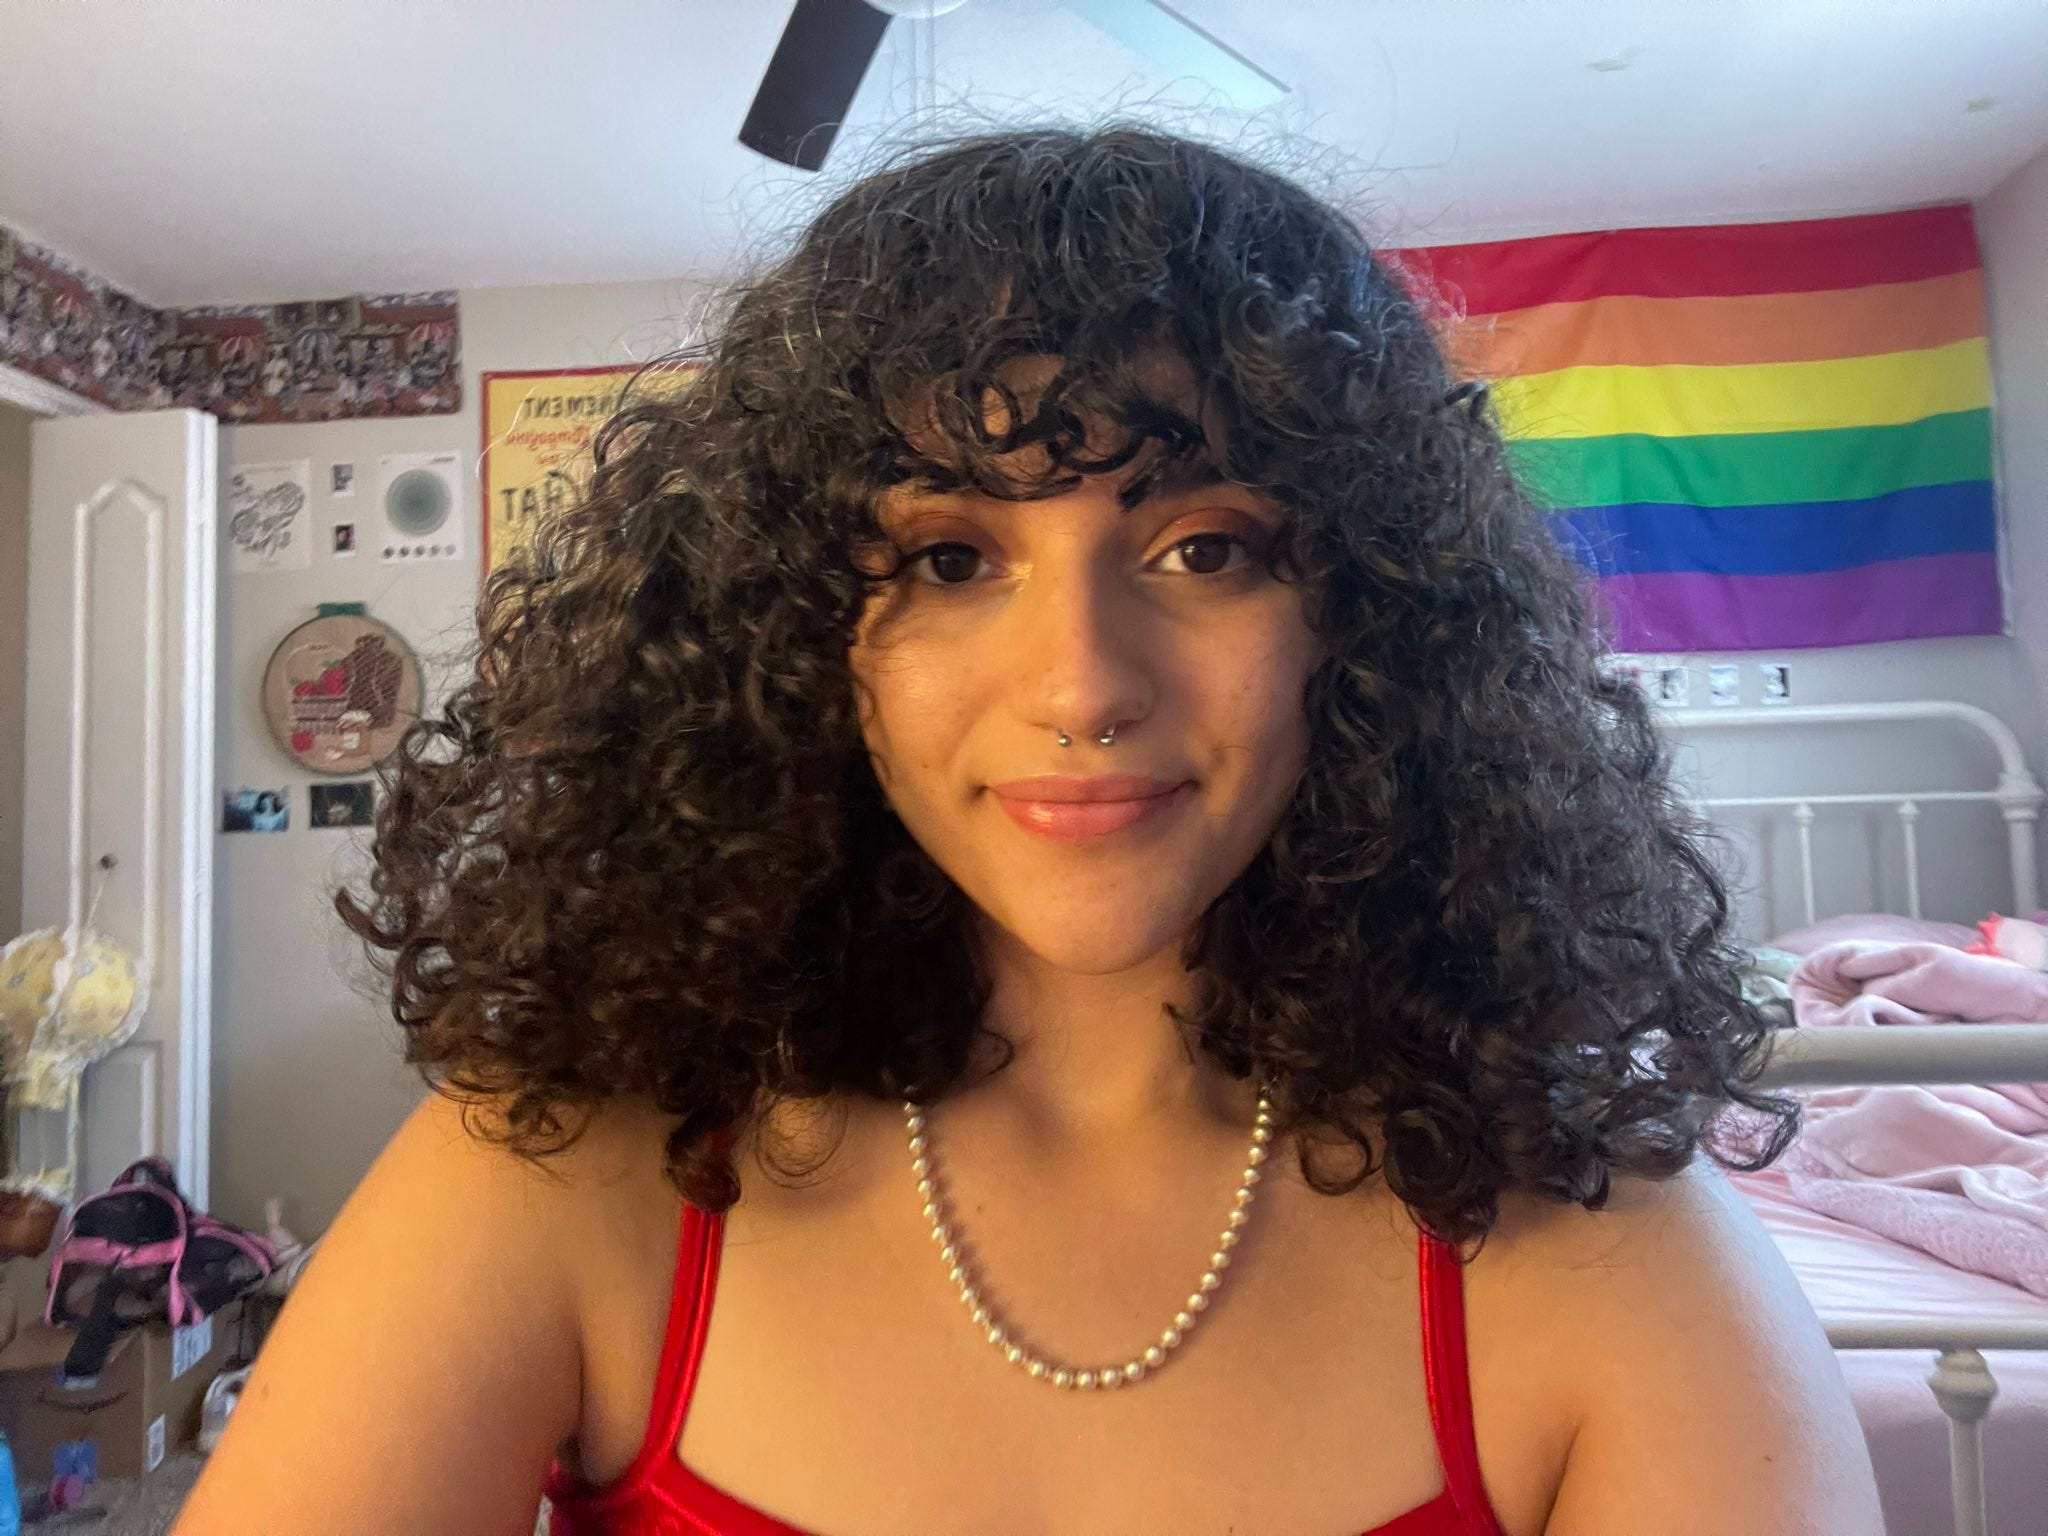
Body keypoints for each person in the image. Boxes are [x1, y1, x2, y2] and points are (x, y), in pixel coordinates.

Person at [173, 124, 1884, 1536]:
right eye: (947, 559)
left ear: (1368, 621)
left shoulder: (1599, 1250)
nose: (1080, 686)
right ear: (791, 631)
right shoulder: (560, 1171)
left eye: (1206, 548)